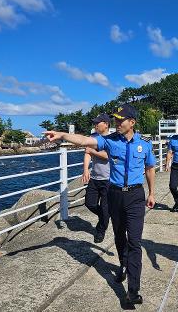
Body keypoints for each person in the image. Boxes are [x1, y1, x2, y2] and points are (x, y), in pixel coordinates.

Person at [44, 104, 156, 305]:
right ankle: (122, 265)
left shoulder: (145, 144)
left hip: (136, 196)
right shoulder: (110, 141)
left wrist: (152, 193)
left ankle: (133, 290)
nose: (117, 123)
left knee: (135, 242)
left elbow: (149, 168)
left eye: (121, 120)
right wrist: (62, 135)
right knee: (120, 236)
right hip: (114, 195)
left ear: (132, 122)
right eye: (116, 120)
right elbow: (85, 141)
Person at [82, 113, 111, 243]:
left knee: (105, 208)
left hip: (109, 179)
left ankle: (101, 229)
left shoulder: (113, 139)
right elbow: (87, 154)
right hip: (94, 178)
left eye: (97, 123)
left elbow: (106, 156)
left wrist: (92, 151)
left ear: (106, 124)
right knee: (90, 203)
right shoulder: (92, 137)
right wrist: (85, 170)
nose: (95, 125)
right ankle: (105, 217)